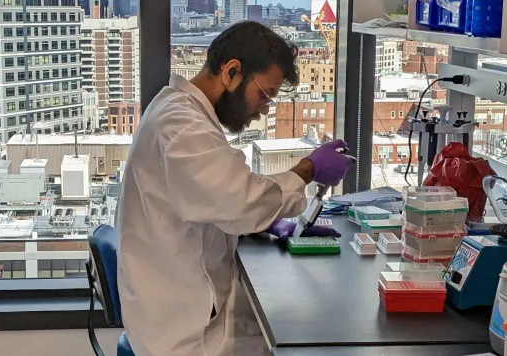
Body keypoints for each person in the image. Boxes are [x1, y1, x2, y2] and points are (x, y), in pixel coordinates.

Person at [116, 21, 354, 356]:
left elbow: (213, 198)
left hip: (180, 307)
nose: (265, 109)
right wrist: (308, 169)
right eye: (264, 94)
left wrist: (267, 218)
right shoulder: (182, 126)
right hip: (179, 334)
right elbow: (240, 200)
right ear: (231, 72)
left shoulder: (179, 110)